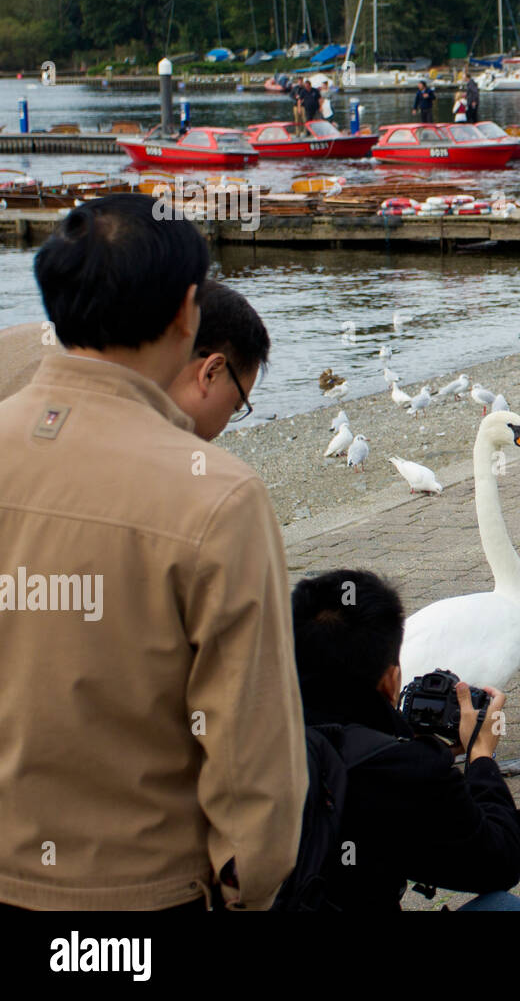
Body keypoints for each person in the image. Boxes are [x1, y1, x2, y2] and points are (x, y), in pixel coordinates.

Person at [0, 196, 305, 910]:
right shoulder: (218, 497)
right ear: (184, 314)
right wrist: (246, 884)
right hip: (136, 894)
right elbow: (251, 753)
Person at [291, 570, 520, 911]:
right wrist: (480, 757)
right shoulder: (402, 770)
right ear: (391, 681)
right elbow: (499, 864)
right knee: (505, 908)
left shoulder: (240, 740)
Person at [0, 280, 268, 439]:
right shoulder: (108, 433)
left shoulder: (72, 355)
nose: (222, 429)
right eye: (235, 407)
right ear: (211, 371)